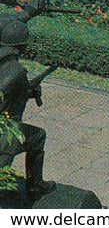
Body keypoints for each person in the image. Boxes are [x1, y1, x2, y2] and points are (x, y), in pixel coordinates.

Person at [0, 16, 55, 201]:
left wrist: (27, 91)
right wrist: (28, 92)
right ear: (22, 46)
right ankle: (35, 187)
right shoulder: (16, 72)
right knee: (38, 136)